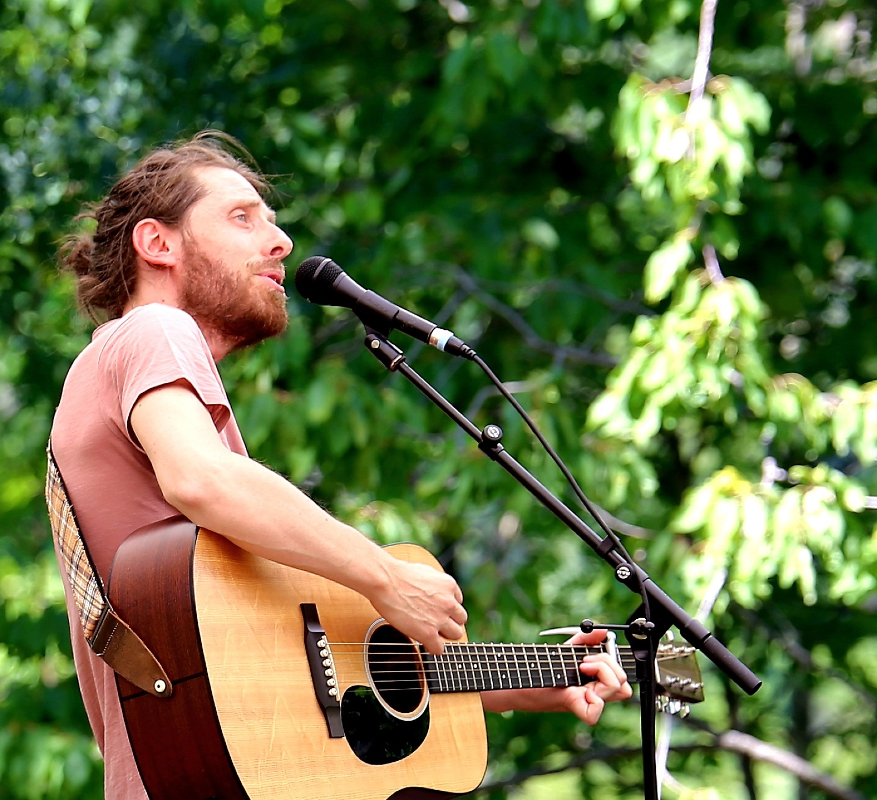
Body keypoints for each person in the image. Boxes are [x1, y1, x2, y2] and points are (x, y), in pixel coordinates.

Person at [47, 131, 633, 799]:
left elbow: (308, 679)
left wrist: (538, 681)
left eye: (271, 219)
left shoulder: (125, 381)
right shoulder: (154, 330)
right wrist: (385, 575)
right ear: (158, 244)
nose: (280, 242)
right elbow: (202, 479)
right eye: (242, 217)